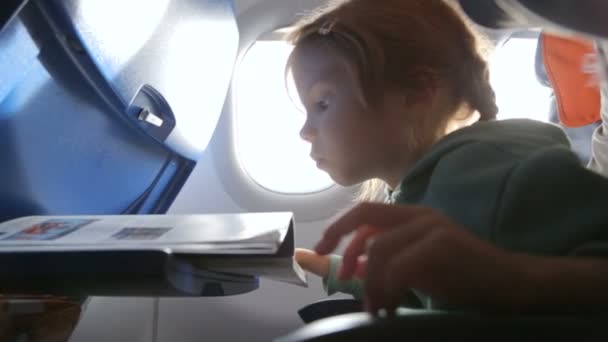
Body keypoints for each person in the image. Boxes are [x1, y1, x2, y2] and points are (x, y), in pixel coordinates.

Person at [288, 0, 608, 314]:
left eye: (322, 104)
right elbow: (427, 285)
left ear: (418, 92)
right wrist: (324, 266)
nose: (305, 132)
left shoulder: (487, 179)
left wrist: (516, 281)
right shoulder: (419, 189)